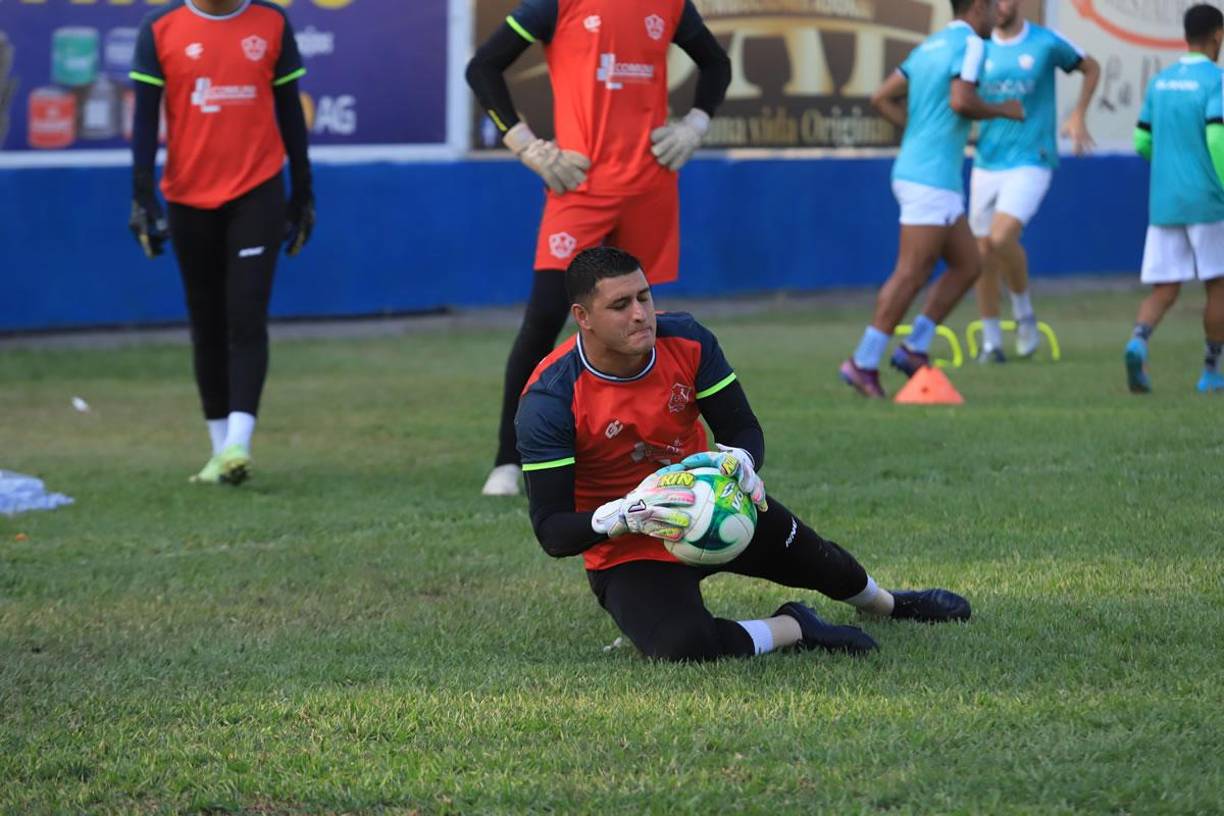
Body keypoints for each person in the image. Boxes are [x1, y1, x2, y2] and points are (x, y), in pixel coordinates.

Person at [515, 247, 970, 662]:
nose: (640, 314)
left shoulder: (687, 340)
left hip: (715, 502)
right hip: (628, 550)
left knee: (822, 561)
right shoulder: (550, 399)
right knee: (684, 647)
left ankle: (887, 605)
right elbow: (552, 531)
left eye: (644, 297)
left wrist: (741, 462)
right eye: (620, 305)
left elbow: (741, 428)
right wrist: (625, 514)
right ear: (583, 317)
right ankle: (796, 626)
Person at [465, 0, 731, 495]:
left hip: (649, 184)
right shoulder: (557, 4)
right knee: (545, 318)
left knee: (643, 326)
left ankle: (655, 453)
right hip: (578, 183)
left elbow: (716, 63)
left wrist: (694, 126)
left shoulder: (671, 4)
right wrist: (525, 145)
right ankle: (508, 459)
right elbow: (482, 67)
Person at [128, 0, 315, 484]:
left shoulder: (271, 22)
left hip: (257, 192)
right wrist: (142, 195)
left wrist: (303, 190)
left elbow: (290, 111)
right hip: (187, 197)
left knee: (246, 314)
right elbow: (145, 119)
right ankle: (219, 452)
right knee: (206, 322)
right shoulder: (160, 28)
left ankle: (238, 444)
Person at [841, 0, 1025, 398]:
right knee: (911, 272)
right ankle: (863, 362)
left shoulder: (929, 46)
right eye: (992, 6)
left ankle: (913, 348)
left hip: (928, 174)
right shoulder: (972, 44)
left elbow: (881, 97)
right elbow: (962, 100)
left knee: (969, 264)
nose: (997, 14)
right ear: (978, 7)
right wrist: (1004, 111)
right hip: (930, 179)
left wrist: (918, 133)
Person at [969, 0, 1100, 362]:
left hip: (1032, 158)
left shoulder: (1045, 42)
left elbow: (1091, 67)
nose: (998, 6)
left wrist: (1078, 114)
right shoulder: (977, 47)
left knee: (1000, 238)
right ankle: (992, 342)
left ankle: (1023, 313)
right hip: (986, 161)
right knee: (982, 252)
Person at [1125, 4, 1224, 394]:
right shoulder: (1216, 80)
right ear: (1217, 35)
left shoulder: (1160, 82)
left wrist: (1170, 168)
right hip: (1208, 201)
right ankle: (1211, 372)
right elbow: (1216, 137)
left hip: (1165, 202)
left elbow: (1141, 141)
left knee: (1164, 289)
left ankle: (1138, 341)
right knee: (1218, 285)